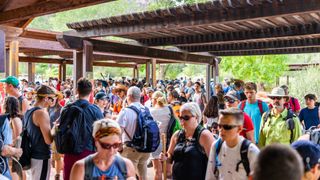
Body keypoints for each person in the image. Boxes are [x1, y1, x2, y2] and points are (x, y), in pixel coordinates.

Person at [63, 78, 104, 180]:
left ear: (77, 90)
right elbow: (102, 134)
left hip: (69, 152)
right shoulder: (95, 110)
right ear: (91, 92)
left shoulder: (67, 108)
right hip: (89, 151)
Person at [161, 102, 214, 180]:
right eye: (180, 117)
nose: (182, 121)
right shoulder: (177, 135)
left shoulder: (205, 135)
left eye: (186, 118)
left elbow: (214, 162)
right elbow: (170, 155)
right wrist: (165, 157)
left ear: (196, 117)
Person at [70, 119, 136, 180]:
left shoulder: (126, 165)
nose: (111, 150)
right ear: (96, 142)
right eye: (106, 146)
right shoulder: (81, 167)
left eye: (116, 145)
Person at [205, 108, 260, 180]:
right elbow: (210, 176)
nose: (221, 130)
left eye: (227, 127)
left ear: (239, 129)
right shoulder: (216, 146)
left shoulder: (251, 151)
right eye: (219, 126)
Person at [117, 86, 150, 180]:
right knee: (143, 176)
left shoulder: (125, 111)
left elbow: (118, 131)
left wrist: (119, 147)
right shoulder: (146, 110)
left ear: (129, 96)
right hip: (145, 149)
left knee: (128, 176)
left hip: (131, 149)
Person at [26, 85, 56, 179]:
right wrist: (55, 128)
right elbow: (48, 140)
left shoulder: (29, 110)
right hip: (41, 156)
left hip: (31, 154)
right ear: (46, 98)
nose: (53, 101)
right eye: (52, 98)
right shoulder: (42, 113)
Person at [150, 91, 171, 180]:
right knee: (168, 172)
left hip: (156, 143)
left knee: (157, 170)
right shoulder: (170, 109)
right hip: (169, 142)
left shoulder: (151, 111)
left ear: (155, 100)